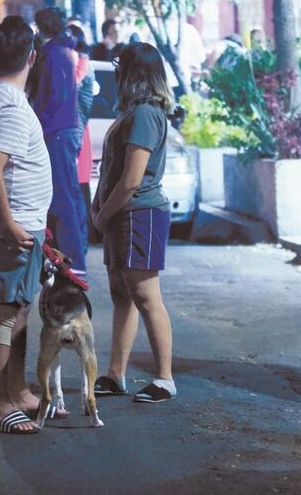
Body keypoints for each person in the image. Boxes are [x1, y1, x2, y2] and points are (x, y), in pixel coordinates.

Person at [0, 15, 54, 435]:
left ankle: (18, 392)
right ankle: (2, 406)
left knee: (18, 309)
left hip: (16, 220)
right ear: (32, 57)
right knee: (4, 312)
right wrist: (9, 225)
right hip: (13, 224)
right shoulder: (10, 106)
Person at [91, 42, 176, 404]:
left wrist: (103, 214)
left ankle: (165, 379)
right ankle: (116, 374)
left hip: (138, 213)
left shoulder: (144, 114)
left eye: (120, 66)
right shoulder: (132, 113)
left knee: (145, 295)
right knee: (121, 295)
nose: (116, 73)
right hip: (122, 214)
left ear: (133, 73)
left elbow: (131, 179)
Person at [32, 7, 87, 272]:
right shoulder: (62, 51)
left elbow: (56, 96)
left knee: (64, 197)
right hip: (62, 129)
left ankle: (73, 259)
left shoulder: (56, 54)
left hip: (57, 131)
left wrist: (39, 120)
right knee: (69, 196)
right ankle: (73, 256)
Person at [68, 23, 95, 252]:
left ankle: (79, 243)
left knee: (77, 193)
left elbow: (74, 86)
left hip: (77, 135)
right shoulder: (79, 63)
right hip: (76, 134)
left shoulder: (83, 66)